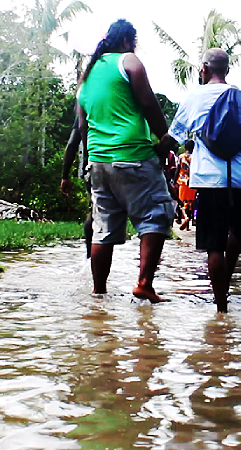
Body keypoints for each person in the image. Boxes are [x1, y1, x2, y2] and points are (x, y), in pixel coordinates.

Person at [75, 19, 175, 302]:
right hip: (133, 156)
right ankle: (144, 284)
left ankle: (99, 292)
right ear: (127, 41)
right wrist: (164, 137)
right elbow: (147, 102)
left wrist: (91, 160)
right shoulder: (129, 61)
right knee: (155, 216)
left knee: (103, 228)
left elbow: (83, 127)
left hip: (99, 162)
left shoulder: (87, 76)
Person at [163, 48, 241, 313]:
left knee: (214, 246)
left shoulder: (193, 98)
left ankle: (221, 307)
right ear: (227, 70)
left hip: (209, 180)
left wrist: (152, 156)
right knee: (237, 232)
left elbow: (172, 138)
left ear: (204, 69)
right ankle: (226, 282)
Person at [61, 114, 93, 258]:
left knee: (94, 214)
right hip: (127, 161)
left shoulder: (88, 103)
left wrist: (65, 176)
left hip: (93, 166)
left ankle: (89, 259)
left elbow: (72, 143)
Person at [175, 140, 196, 231]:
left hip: (183, 182)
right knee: (191, 203)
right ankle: (188, 224)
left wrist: (174, 180)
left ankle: (186, 217)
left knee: (182, 202)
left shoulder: (181, 157)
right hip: (193, 182)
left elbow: (177, 169)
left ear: (185, 147)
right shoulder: (195, 157)